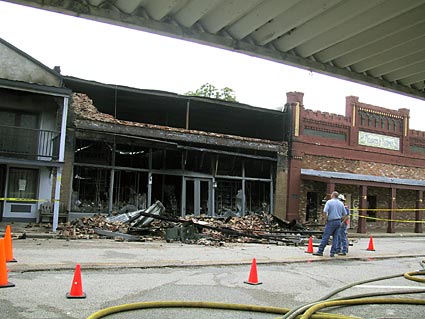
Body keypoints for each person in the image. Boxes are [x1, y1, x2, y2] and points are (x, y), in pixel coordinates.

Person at [313, 191, 347, 257]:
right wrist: (341, 221)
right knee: (335, 238)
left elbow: (325, 211)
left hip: (331, 221)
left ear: (332, 195)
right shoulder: (341, 204)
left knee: (326, 236)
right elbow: (345, 214)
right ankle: (332, 252)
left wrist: (325, 220)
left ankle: (320, 251)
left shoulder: (329, 202)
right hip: (338, 221)